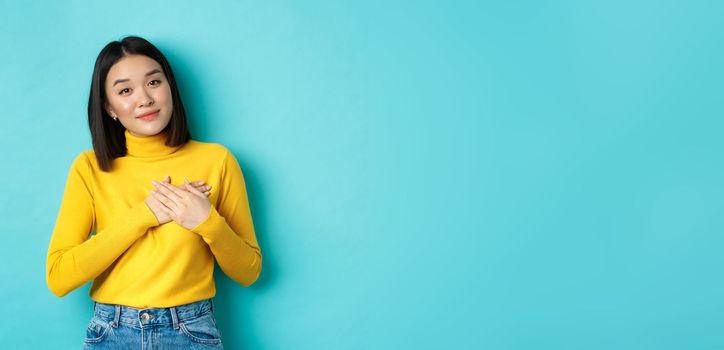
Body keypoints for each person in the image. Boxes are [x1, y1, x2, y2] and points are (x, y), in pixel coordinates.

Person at [45, 35, 262, 349]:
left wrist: (207, 221)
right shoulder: (89, 167)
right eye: (125, 90)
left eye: (154, 82)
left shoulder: (217, 161)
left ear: (170, 88)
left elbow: (249, 272)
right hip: (112, 332)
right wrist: (143, 216)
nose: (144, 99)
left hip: (190, 331)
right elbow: (58, 277)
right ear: (109, 108)